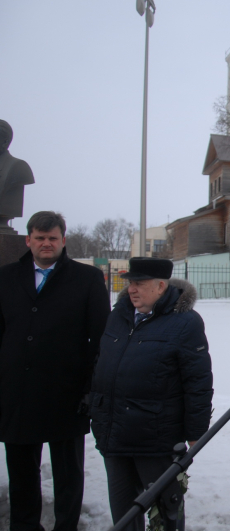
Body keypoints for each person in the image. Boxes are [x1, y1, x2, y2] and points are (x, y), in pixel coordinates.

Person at [0, 211, 110, 531]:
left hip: (67, 392)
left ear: (63, 240)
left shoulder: (86, 279)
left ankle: (66, 526)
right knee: (21, 473)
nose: (46, 243)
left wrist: (91, 387)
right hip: (17, 392)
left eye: (52, 238)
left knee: (68, 474)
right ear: (28, 240)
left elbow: (99, 336)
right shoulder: (5, 277)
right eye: (39, 237)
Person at [90, 257, 213, 531]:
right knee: (123, 517)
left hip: (156, 440)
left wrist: (196, 432)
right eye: (130, 282)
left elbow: (198, 381)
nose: (131, 289)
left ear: (160, 286)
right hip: (115, 437)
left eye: (139, 284)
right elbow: (100, 365)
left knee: (166, 514)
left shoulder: (185, 323)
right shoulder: (118, 316)